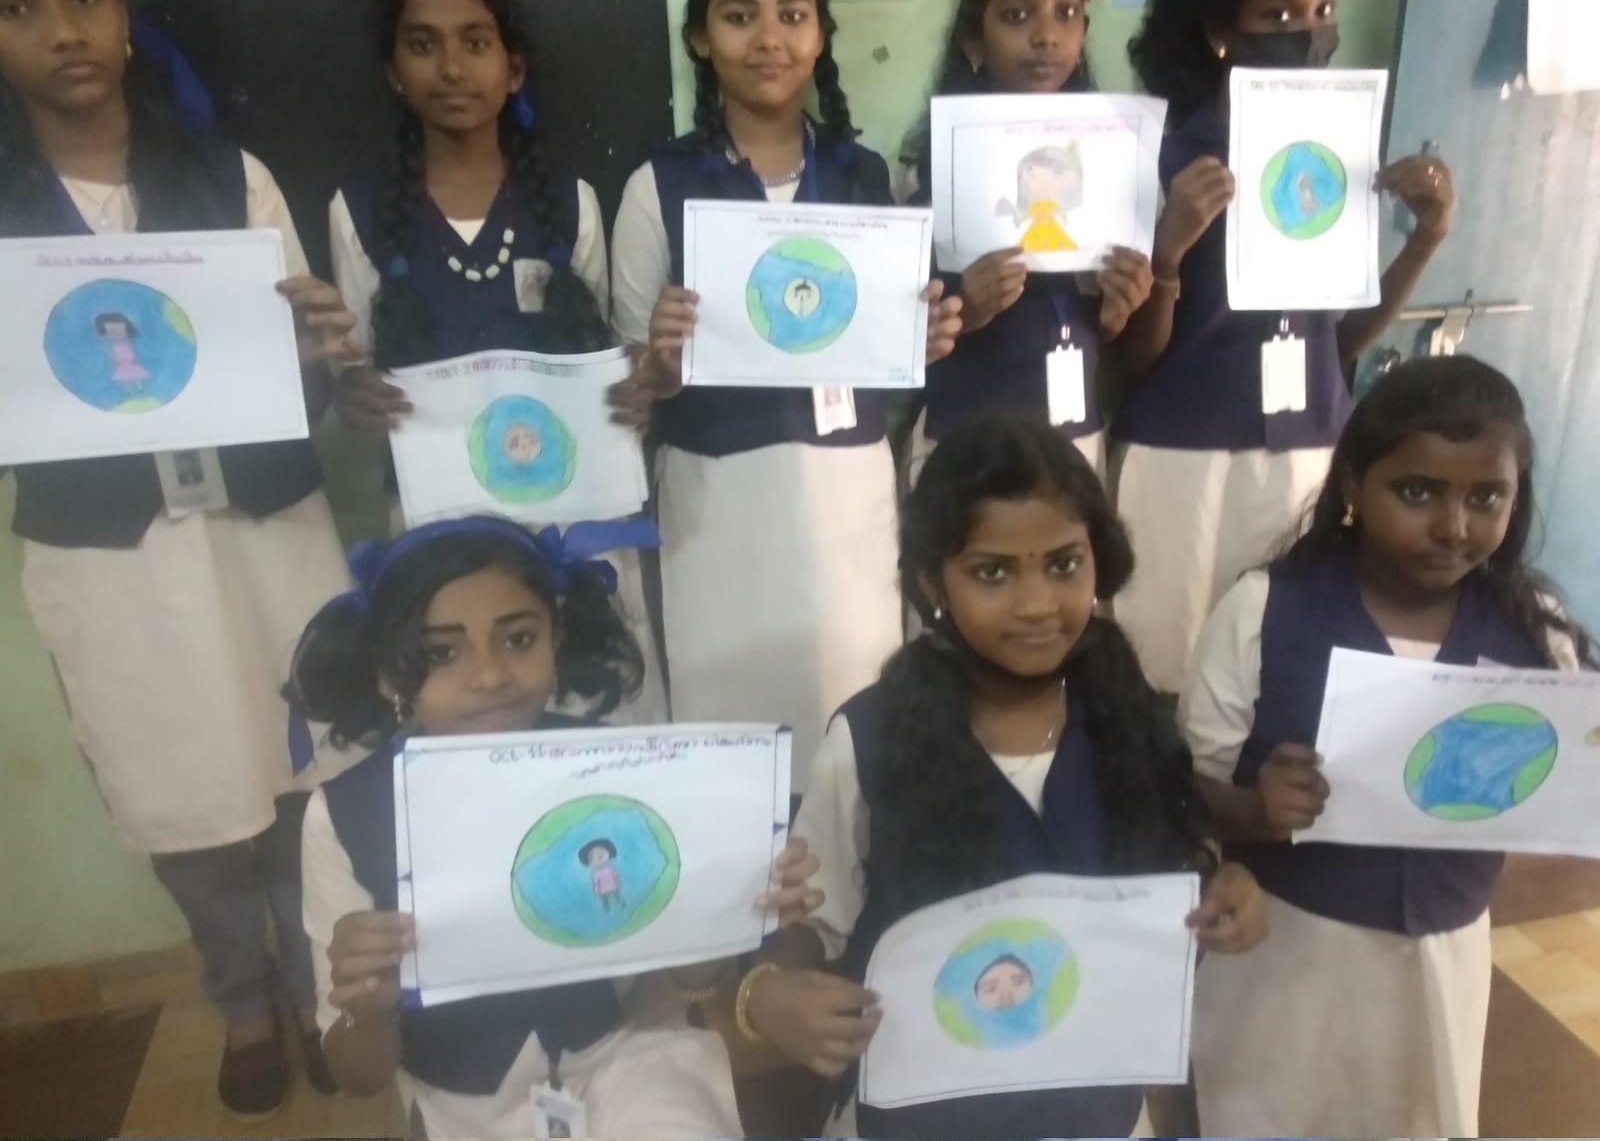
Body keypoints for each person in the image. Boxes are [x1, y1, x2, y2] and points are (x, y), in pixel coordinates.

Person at [0, 0, 362, 1116]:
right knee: (179, 790)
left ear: (122, 12)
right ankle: (242, 1000)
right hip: (112, 558)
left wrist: (316, 348)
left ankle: (315, 988)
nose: (61, 30)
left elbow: (306, 382)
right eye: (17, 8)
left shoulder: (231, 178)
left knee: (301, 771)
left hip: (264, 529)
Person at [737, 414, 1269, 1138]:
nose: (1037, 604)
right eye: (993, 572)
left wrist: (1221, 886)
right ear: (934, 580)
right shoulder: (870, 737)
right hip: (923, 1116)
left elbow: (1176, 857)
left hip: (1098, 1111)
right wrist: (770, 992)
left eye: (1064, 565)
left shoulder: (1126, 712)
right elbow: (807, 918)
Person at [290, 515, 823, 1139]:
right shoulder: (342, 815)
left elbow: (667, 995)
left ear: (555, 636)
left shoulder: (626, 770)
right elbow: (358, 1075)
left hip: (629, 1056)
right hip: (462, 1102)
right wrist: (372, 1011)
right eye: (442, 652)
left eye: (518, 639)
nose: (490, 674)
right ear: (387, 673)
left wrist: (714, 923)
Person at [1180, 355, 1593, 1136]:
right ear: (1352, 487)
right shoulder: (1263, 610)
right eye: (1416, 492)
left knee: (1417, 1115)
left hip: (1442, 954)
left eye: (1486, 497)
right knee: (1267, 1115)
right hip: (1287, 949)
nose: (1453, 527)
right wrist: (1254, 810)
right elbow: (1186, 787)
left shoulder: (1533, 626)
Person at [609, 0, 963, 789]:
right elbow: (629, 391)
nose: (769, 38)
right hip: (716, 502)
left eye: (792, 15)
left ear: (820, 34)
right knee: (732, 744)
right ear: (701, 38)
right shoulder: (658, 186)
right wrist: (659, 364)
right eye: (740, 17)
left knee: (853, 730)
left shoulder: (863, 177)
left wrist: (923, 342)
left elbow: (887, 354)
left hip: (848, 494)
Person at [328, 0, 667, 724]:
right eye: (423, 44)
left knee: (593, 723)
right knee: (471, 726)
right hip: (435, 535)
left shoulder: (571, 205)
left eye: (475, 42)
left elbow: (616, 365)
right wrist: (354, 398)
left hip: (572, 524)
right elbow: (355, 374)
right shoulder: (359, 214)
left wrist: (636, 393)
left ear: (513, 70)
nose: (451, 68)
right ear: (393, 71)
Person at [1114, 0, 1457, 693]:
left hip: (1308, 453)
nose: (1307, 32)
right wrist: (1169, 248)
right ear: (1221, 30)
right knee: (1162, 670)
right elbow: (1132, 357)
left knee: (1275, 672)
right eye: (1278, 14)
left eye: (1324, 9)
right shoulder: (1164, 156)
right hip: (1183, 456)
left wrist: (1424, 241)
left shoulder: (1337, 153)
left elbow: (1338, 343)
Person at [898, 0, 1155, 483]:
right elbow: (900, 338)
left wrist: (1117, 311)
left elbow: (1114, 338)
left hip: (1074, 439)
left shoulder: (1110, 166)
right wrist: (966, 311)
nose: (1046, 36)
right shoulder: (931, 173)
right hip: (966, 444)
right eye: (1017, 15)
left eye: (1066, 11)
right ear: (974, 38)